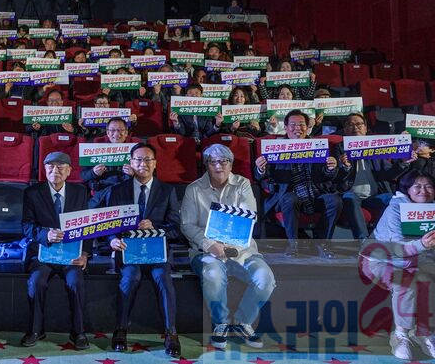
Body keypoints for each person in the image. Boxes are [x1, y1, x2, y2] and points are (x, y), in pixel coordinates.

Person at [89, 143, 182, 357]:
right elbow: (107, 225)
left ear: (155, 163)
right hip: (128, 252)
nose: (143, 164)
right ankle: (121, 330)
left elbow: (175, 229)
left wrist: (155, 228)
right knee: (130, 277)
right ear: (130, 162)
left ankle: (171, 333)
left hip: (156, 253)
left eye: (148, 159)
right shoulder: (117, 190)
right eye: (138, 159)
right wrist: (112, 239)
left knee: (163, 278)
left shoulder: (167, 191)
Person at [181, 144, 276, 350]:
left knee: (265, 279)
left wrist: (229, 247)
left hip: (242, 250)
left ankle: (243, 322)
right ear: (206, 165)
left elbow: (248, 219)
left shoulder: (243, 184)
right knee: (213, 275)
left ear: (231, 164)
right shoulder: (193, 189)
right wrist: (210, 244)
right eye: (213, 162)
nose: (219, 166)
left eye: (224, 161)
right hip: (206, 251)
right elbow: (187, 225)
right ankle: (220, 324)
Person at [361, 169, 435, 359]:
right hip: (381, 260)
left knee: (427, 281)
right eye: (417, 186)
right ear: (407, 189)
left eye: (428, 186)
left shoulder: (432, 210)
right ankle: (401, 335)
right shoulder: (395, 209)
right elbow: (397, 248)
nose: (423, 191)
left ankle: (424, 333)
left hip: (416, 262)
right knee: (406, 283)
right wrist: (423, 244)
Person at [20, 152, 91, 349]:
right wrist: (45, 235)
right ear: (44, 170)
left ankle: (78, 332)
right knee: (36, 282)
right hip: (43, 254)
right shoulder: (32, 192)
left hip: (71, 255)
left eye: (60, 167)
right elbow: (26, 226)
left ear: (69, 171)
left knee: (76, 282)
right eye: (50, 167)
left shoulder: (80, 192)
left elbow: (88, 226)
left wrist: (85, 254)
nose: (55, 171)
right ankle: (35, 330)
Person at [254, 109, 342, 258]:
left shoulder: (318, 146)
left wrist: (331, 168)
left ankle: (321, 242)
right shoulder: (275, 147)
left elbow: (327, 176)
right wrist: (260, 168)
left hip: (314, 193)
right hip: (285, 196)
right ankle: (292, 244)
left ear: (307, 127)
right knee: (290, 198)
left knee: (334, 200)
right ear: (286, 128)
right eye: (293, 125)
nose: (297, 128)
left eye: (301, 125)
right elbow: (260, 176)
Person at [335, 113, 412, 241]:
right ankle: (363, 240)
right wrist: (345, 167)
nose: (355, 127)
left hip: (374, 195)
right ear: (345, 130)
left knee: (391, 198)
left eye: (359, 124)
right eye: (350, 125)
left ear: (365, 128)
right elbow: (334, 177)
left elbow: (387, 174)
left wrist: (403, 163)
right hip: (351, 194)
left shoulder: (374, 146)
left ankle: (377, 236)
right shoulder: (339, 148)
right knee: (349, 197)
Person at [80, 117, 136, 193]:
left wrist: (134, 173)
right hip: (102, 190)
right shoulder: (94, 149)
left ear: (126, 133)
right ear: (107, 133)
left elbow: (146, 174)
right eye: (112, 130)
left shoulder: (135, 150)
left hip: (127, 189)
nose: (116, 134)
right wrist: (93, 172)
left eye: (120, 130)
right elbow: (83, 176)